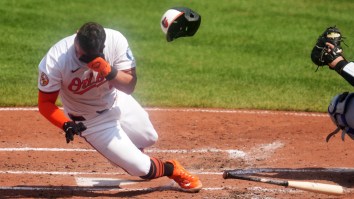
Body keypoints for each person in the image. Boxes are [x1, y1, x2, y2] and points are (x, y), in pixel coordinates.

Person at [37, 21, 202, 192]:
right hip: (92, 121)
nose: (80, 57)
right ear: (76, 34)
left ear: (103, 47)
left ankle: (125, 152)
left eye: (86, 56)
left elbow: (129, 86)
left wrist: (107, 69)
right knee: (141, 169)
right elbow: (45, 103)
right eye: (79, 52)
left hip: (118, 100)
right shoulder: (56, 60)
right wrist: (65, 123)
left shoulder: (116, 40)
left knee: (149, 137)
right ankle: (172, 169)